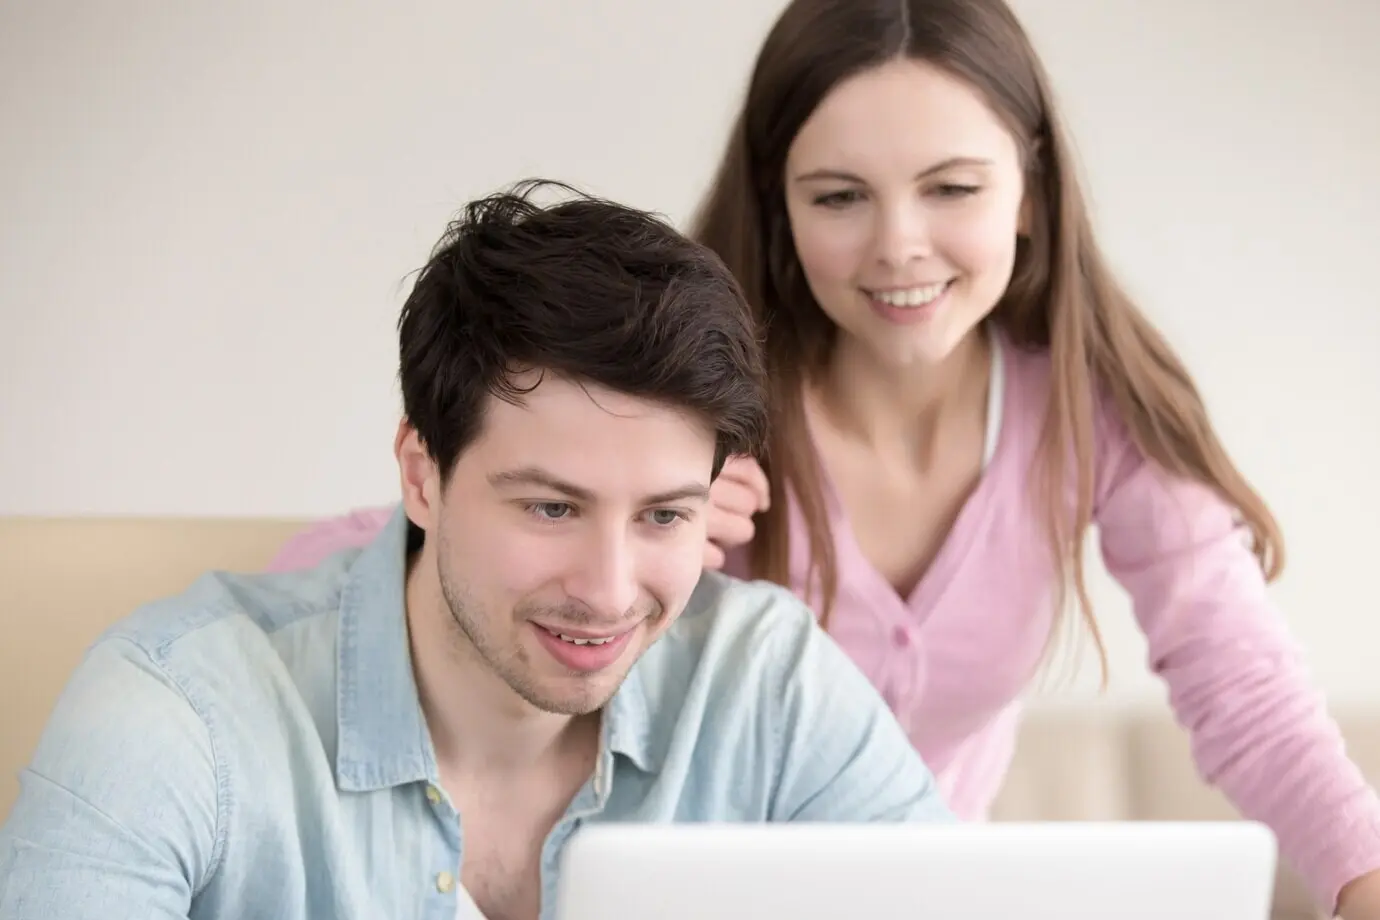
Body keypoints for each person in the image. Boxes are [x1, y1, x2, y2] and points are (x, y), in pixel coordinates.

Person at [262, 1, 1380, 917]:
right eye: (839, 196)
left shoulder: (1096, 407)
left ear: (1031, 189)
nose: (898, 244)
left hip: (927, 895)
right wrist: (662, 532)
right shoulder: (691, 411)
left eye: (952, 188)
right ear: (777, 201)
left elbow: (1244, 684)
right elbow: (441, 546)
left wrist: (1360, 873)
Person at [0, 181, 953, 920]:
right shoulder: (176, 718)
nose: (609, 591)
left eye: (664, 516)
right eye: (549, 509)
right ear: (422, 474)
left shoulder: (768, 686)